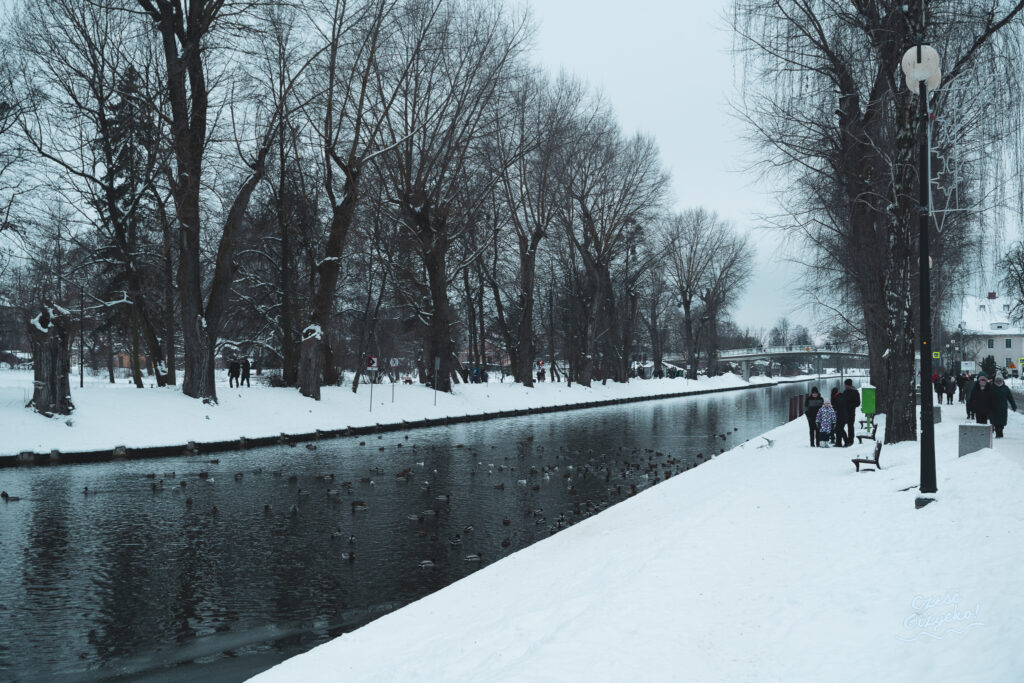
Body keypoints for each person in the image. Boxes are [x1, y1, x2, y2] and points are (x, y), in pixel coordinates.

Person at [990, 374, 1018, 438]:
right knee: (995, 421)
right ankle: (998, 433)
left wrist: (1014, 406)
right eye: (997, 381)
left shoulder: (1005, 388)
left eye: (1000, 381)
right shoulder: (991, 387)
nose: (999, 382)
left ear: (1002, 381)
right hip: (993, 408)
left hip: (1003, 407)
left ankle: (1000, 431)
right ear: (995, 381)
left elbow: (1010, 398)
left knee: (1002, 422)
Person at [839, 378, 861, 447]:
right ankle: (846, 441)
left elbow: (858, 403)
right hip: (844, 413)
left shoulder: (855, 392)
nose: (845, 386)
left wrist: (850, 405)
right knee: (840, 427)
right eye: (845, 385)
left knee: (850, 427)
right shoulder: (845, 392)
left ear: (849, 385)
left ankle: (850, 441)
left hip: (851, 412)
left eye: (846, 385)